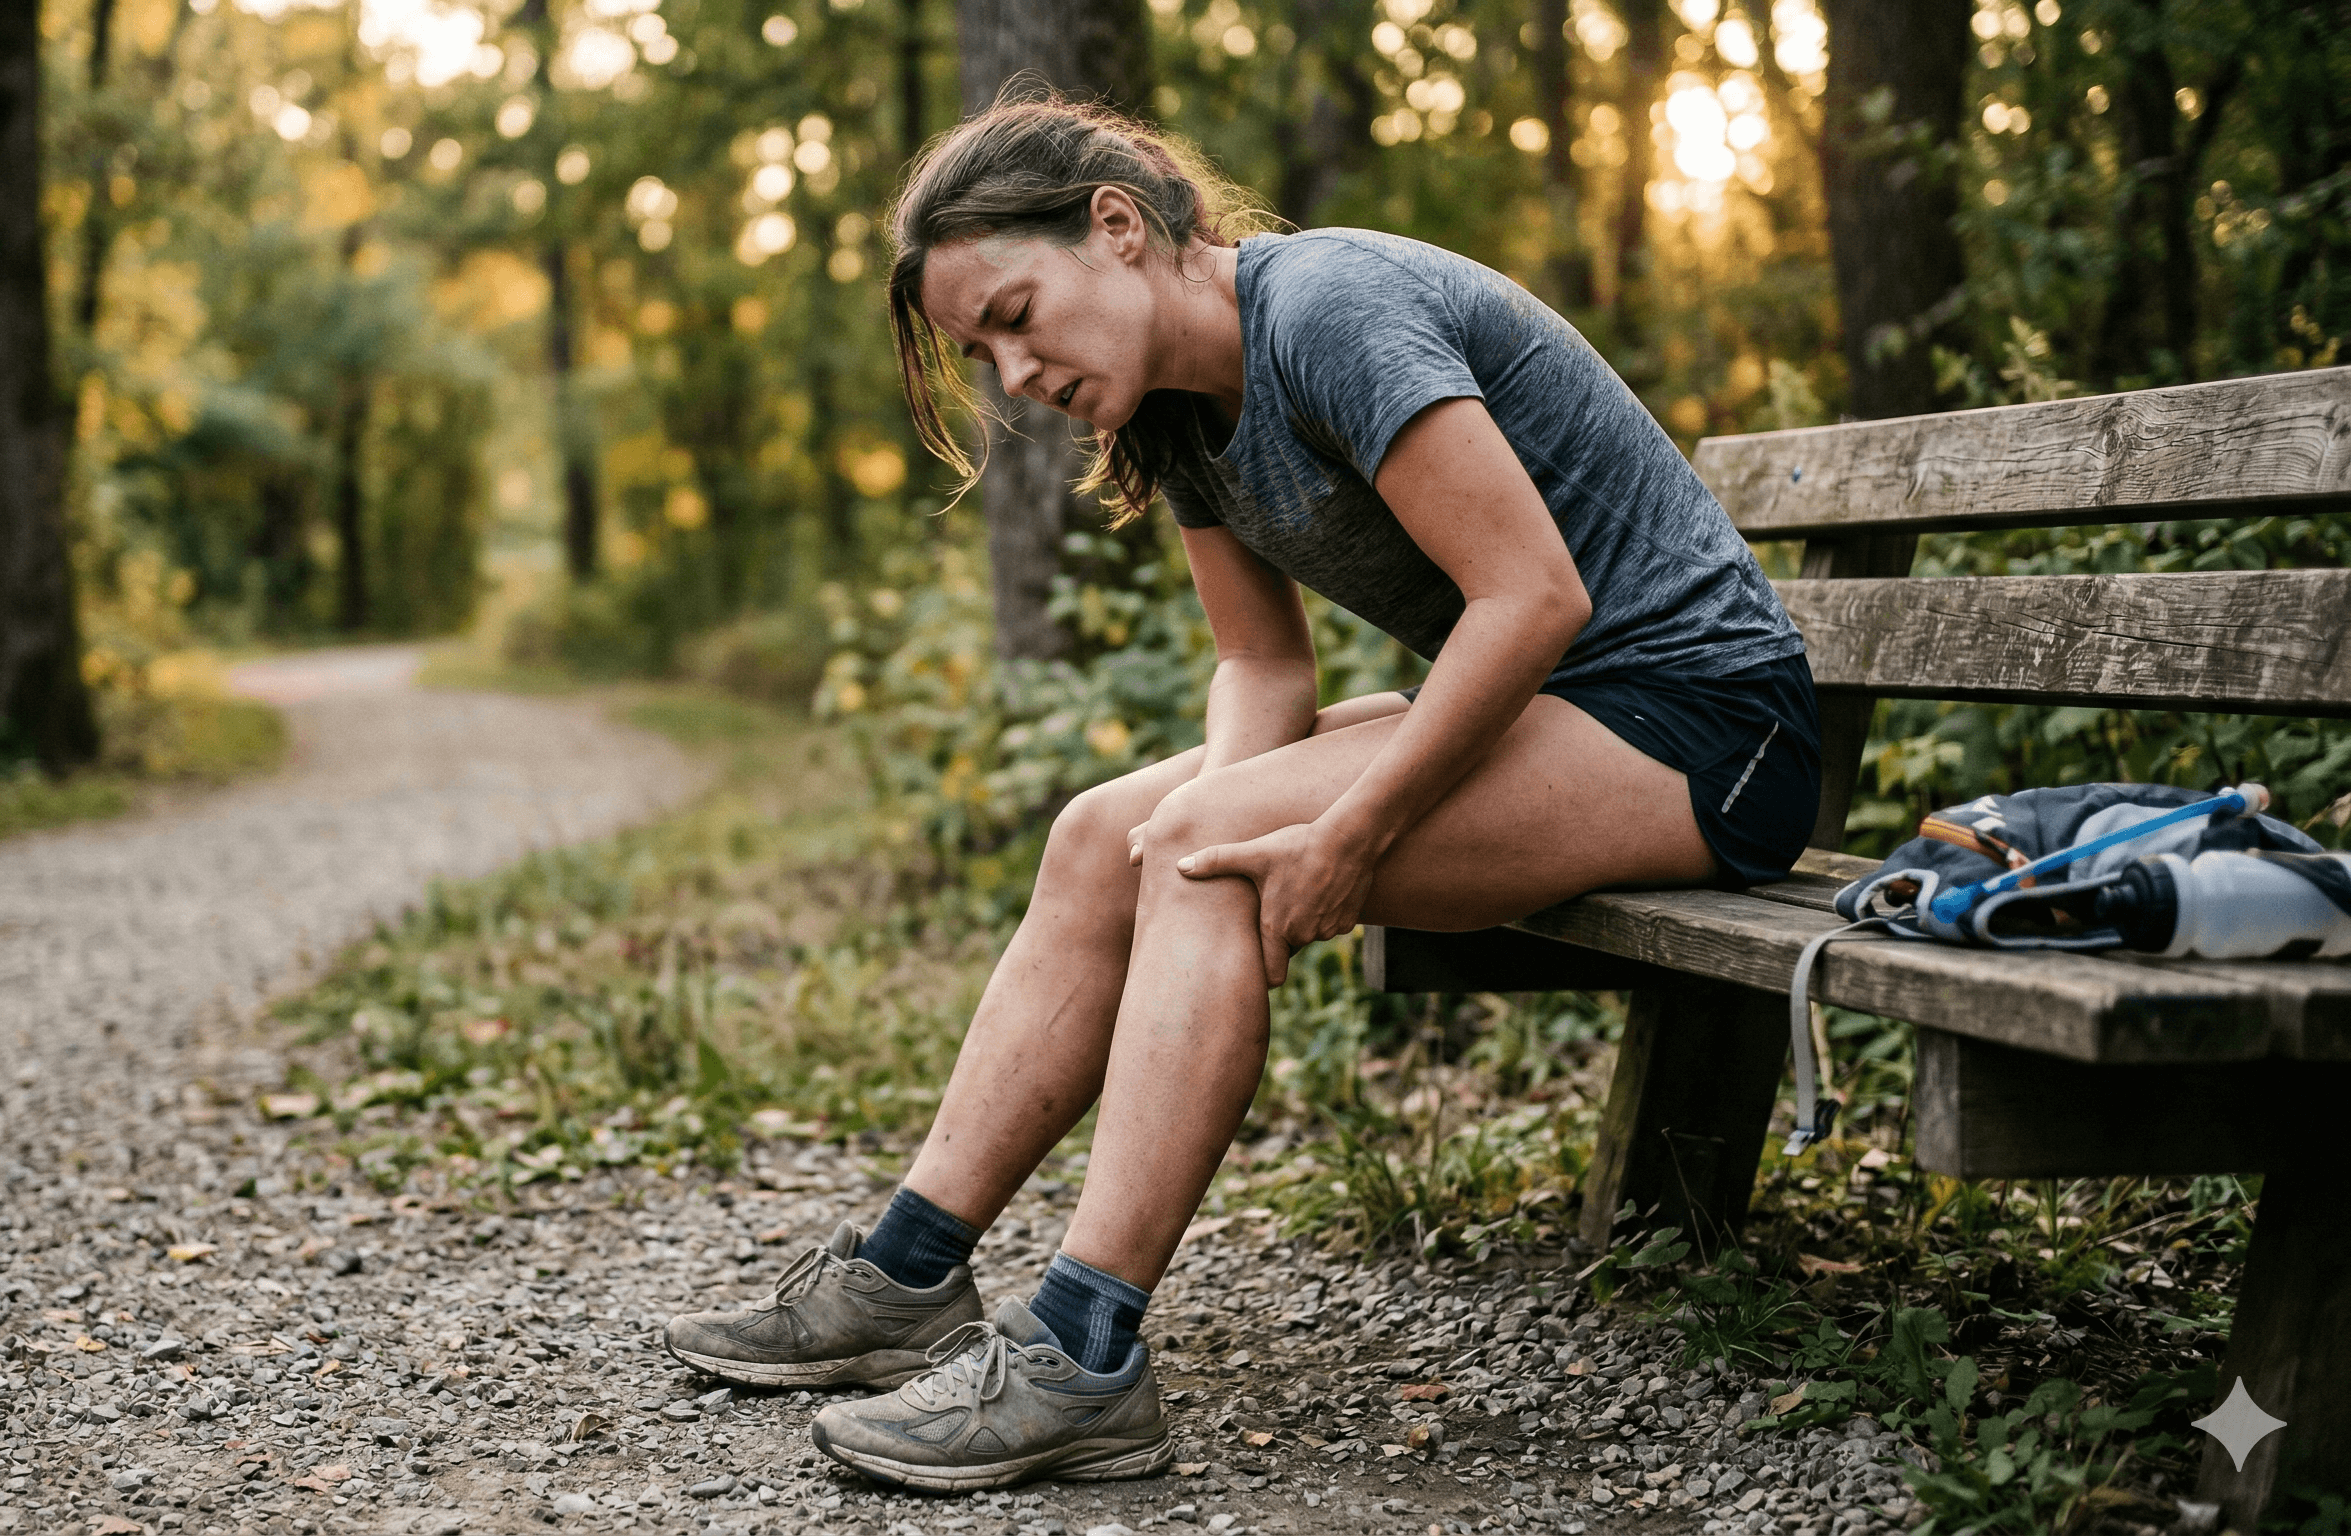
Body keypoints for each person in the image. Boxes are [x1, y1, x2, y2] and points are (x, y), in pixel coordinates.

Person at [660, 93, 1820, 1494]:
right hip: (1565, 711)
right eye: (984, 353)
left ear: (1117, 226)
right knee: (1109, 833)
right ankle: (906, 1275)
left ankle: (1082, 1357)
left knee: (1203, 846)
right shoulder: (1179, 413)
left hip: (1701, 725)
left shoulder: (1328, 311)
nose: (1015, 375)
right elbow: (1260, 667)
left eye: (1019, 317)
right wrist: (1188, 839)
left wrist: (1342, 831)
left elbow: (1531, 598)